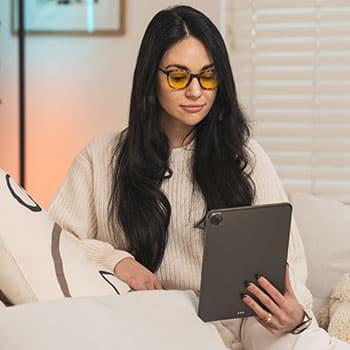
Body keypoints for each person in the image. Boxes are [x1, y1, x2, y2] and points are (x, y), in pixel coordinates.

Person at [48, 5, 350, 350]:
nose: (196, 91)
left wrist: (293, 315)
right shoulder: (101, 157)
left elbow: (288, 259)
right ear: (151, 77)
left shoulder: (246, 155)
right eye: (178, 76)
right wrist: (119, 262)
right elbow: (55, 242)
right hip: (156, 322)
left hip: (248, 319)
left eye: (208, 76)